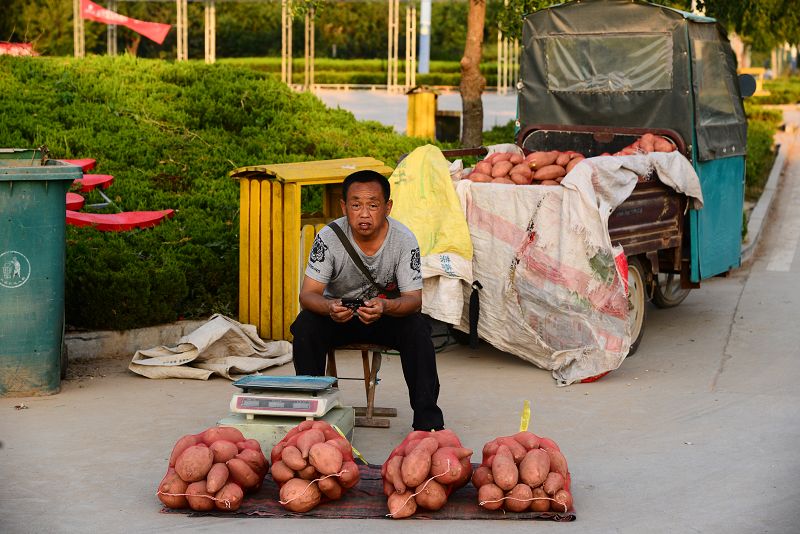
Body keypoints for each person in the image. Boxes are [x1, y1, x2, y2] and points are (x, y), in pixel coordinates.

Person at [290, 169, 445, 431]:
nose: (364, 213)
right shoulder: (328, 238)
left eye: (373, 205)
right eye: (356, 205)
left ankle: (428, 424)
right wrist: (329, 307)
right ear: (344, 206)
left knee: (418, 329)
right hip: (340, 315)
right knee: (305, 326)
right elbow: (308, 294)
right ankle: (311, 417)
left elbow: (413, 300)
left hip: (385, 314)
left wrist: (386, 306)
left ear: (387, 207)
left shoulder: (404, 240)